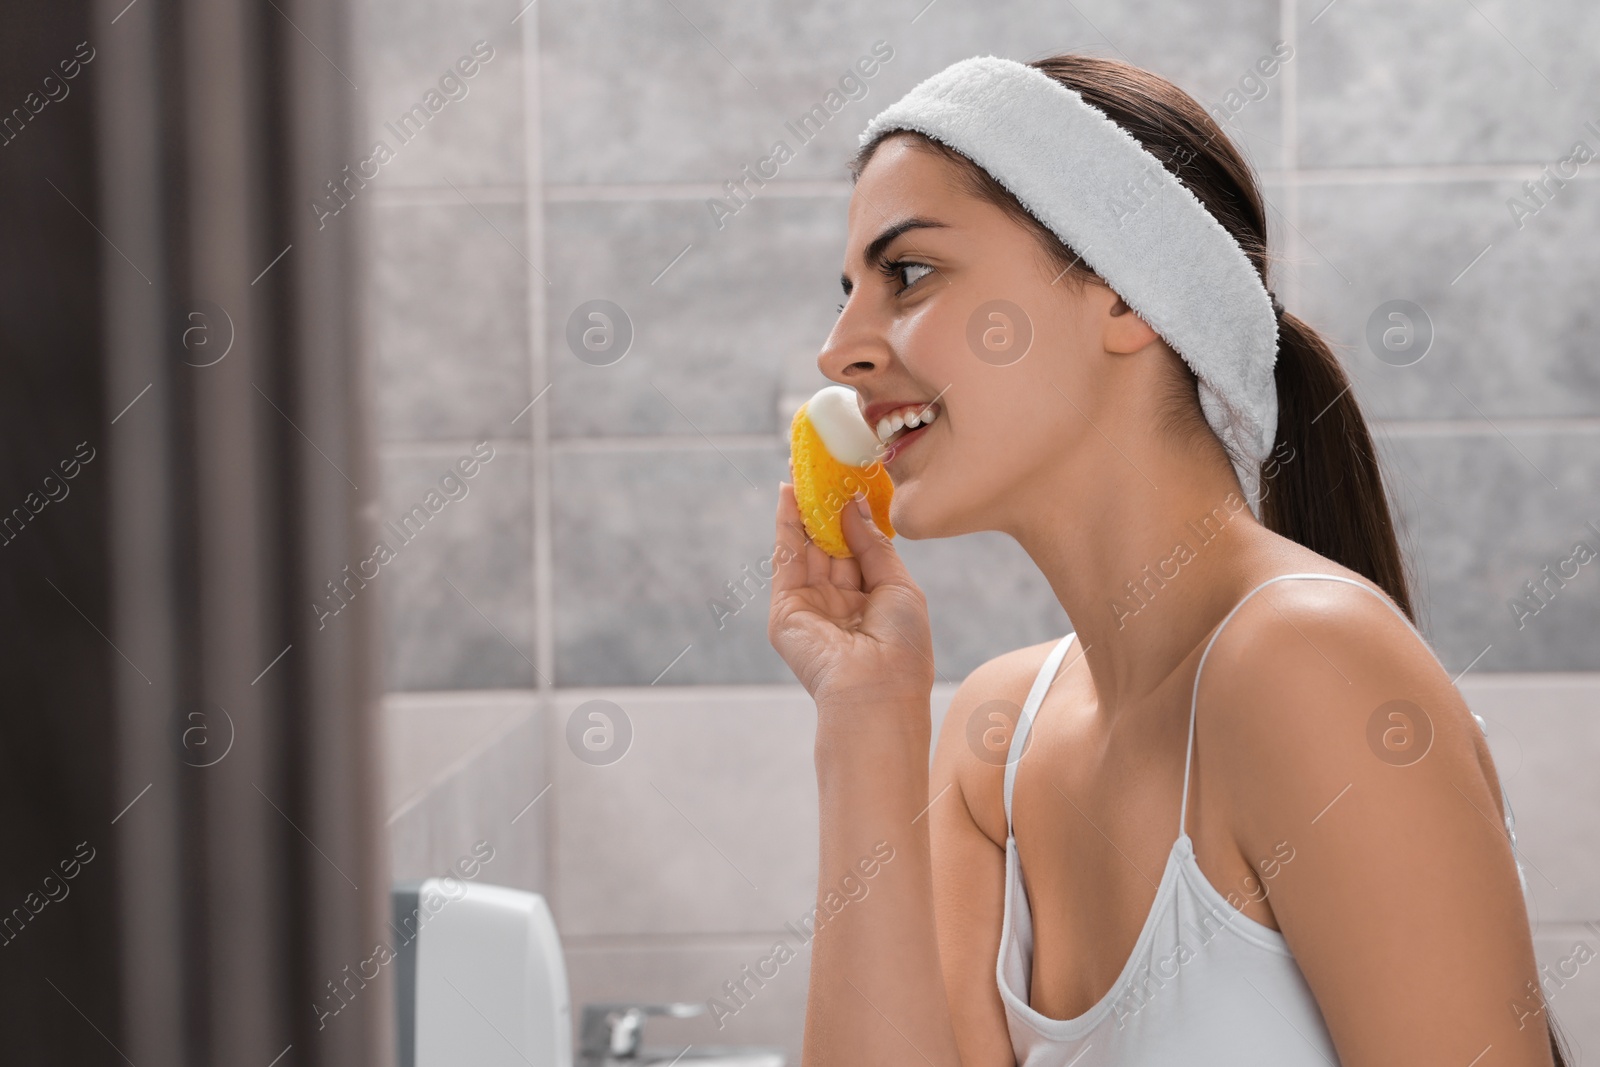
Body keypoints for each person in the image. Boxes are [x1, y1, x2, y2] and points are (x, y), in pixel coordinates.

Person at [767, 53, 1567, 1066]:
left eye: (909, 273)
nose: (840, 347)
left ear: (1123, 294)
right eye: (847, 290)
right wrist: (864, 718)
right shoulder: (991, 737)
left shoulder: (1306, 660)